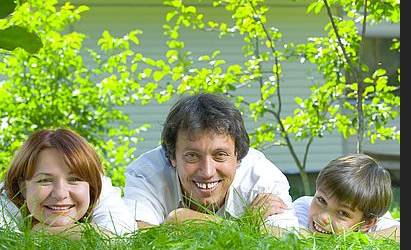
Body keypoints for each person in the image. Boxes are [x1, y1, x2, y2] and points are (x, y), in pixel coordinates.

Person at [124, 92, 299, 229]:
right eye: (192, 156)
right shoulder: (147, 173)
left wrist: (183, 221)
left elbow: (283, 239)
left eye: (220, 155)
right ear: (171, 156)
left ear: (238, 156)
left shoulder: (262, 177)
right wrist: (247, 227)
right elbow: (139, 237)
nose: (207, 172)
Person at [0, 128, 136, 237]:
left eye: (74, 179)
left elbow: (120, 236)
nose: (60, 194)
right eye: (45, 180)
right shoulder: (5, 198)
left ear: (92, 186)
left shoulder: (101, 189)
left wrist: (42, 232)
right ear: (22, 187)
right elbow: (7, 242)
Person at [293, 154, 400, 241]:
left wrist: (358, 239)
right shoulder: (304, 206)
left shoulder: (375, 220)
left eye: (342, 213)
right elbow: (290, 234)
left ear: (366, 224)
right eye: (322, 200)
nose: (324, 217)